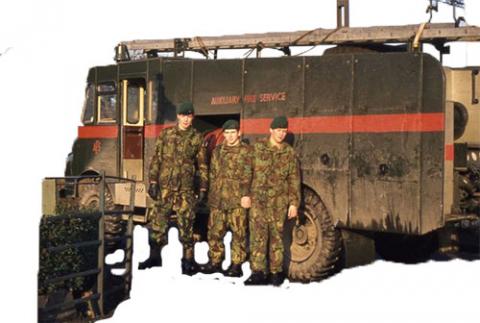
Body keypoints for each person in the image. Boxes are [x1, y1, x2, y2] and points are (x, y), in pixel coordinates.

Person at [139, 101, 208, 276]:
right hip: (165, 188)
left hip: (185, 189)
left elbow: (202, 165)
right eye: (183, 115)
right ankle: (154, 257)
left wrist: (202, 188)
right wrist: (153, 182)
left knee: (187, 225)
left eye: (189, 116)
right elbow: (156, 159)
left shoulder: (196, 138)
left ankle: (188, 261)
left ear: (192, 117)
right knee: (158, 223)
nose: (186, 119)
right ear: (178, 116)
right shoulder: (166, 134)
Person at [244, 116, 301, 286]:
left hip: (279, 203)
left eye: (284, 131)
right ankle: (258, 273)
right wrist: (245, 195)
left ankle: (276, 273)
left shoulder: (289, 153)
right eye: (278, 130)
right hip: (258, 202)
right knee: (257, 238)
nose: (281, 134)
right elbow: (247, 172)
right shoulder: (258, 148)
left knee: (277, 239)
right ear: (270, 130)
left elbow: (294, 179)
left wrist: (294, 203)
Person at [200, 120, 252, 277]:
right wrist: (211, 195)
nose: (229, 136)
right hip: (218, 200)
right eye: (227, 133)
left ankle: (236, 265)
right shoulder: (217, 151)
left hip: (237, 200)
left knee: (239, 234)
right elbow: (213, 174)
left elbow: (251, 175)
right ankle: (215, 262)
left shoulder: (247, 152)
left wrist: (248, 195)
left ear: (239, 133)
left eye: (232, 133)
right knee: (214, 232)